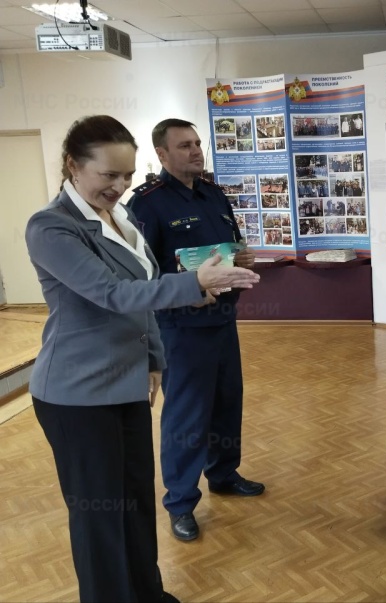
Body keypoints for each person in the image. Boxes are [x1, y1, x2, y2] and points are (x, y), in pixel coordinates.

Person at [25, 115, 259, 601]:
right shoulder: (51, 227)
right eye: (108, 175)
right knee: (99, 517)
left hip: (127, 381)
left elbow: (146, 294)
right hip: (76, 394)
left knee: (133, 503)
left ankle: (147, 593)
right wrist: (196, 283)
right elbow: (113, 292)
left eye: (127, 175)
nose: (119, 186)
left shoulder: (121, 217)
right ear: (73, 166)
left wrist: (154, 357)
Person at [129, 118, 264, 543]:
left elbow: (232, 248)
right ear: (163, 155)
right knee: (187, 418)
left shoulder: (214, 193)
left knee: (226, 404)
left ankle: (224, 474)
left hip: (222, 320)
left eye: (197, 143)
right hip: (181, 328)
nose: (195, 150)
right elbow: (142, 274)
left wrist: (242, 262)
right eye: (184, 145)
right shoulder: (147, 205)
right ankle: (181, 502)